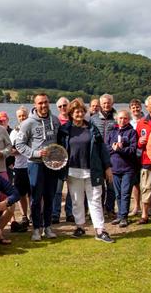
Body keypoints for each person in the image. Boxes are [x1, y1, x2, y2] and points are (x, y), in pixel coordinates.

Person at [59, 99, 115, 243]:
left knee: (95, 199)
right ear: (71, 113)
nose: (79, 114)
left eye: (81, 111)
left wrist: (107, 167)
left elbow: (102, 148)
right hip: (72, 171)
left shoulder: (92, 128)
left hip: (93, 170)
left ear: (85, 112)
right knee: (77, 201)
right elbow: (59, 150)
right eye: (76, 111)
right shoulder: (65, 130)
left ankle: (100, 230)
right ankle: (80, 227)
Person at [15, 92, 62, 241]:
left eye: (46, 102)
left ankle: (47, 227)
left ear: (49, 103)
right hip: (35, 165)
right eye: (40, 103)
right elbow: (19, 145)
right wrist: (35, 153)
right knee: (36, 197)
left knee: (50, 196)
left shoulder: (55, 120)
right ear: (35, 105)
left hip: (52, 165)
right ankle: (36, 229)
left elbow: (60, 142)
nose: (43, 105)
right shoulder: (28, 123)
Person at [106, 110, 138, 227]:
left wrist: (121, 149)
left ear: (128, 119)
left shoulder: (132, 132)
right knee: (118, 194)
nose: (122, 120)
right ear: (116, 119)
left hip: (127, 169)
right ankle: (119, 215)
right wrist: (114, 148)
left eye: (124, 118)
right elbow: (106, 149)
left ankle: (124, 217)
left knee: (125, 193)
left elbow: (133, 150)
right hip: (114, 168)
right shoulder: (112, 132)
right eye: (120, 118)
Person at [91, 94, 118, 218]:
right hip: (97, 156)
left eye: (108, 103)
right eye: (104, 103)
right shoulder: (93, 119)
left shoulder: (117, 118)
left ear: (112, 104)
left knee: (111, 185)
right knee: (99, 186)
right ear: (100, 104)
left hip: (112, 155)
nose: (106, 105)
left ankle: (110, 209)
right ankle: (99, 210)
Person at [136, 94, 151, 224]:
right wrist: (140, 142)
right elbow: (136, 143)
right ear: (147, 107)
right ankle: (145, 215)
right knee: (146, 188)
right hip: (147, 160)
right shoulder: (141, 123)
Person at [9, 106, 31, 231]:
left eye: (24, 115)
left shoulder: (33, 129)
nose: (22, 118)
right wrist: (21, 149)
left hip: (33, 164)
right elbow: (12, 150)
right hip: (20, 167)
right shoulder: (14, 132)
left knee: (34, 193)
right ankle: (24, 216)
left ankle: (35, 214)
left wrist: (23, 149)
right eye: (20, 116)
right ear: (17, 118)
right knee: (21, 194)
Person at [128, 98, 144, 217]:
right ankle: (136, 207)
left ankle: (146, 207)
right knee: (135, 182)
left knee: (147, 182)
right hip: (132, 155)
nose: (135, 109)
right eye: (133, 107)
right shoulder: (128, 122)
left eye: (137, 107)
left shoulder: (146, 121)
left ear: (141, 108)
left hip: (144, 154)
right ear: (130, 109)